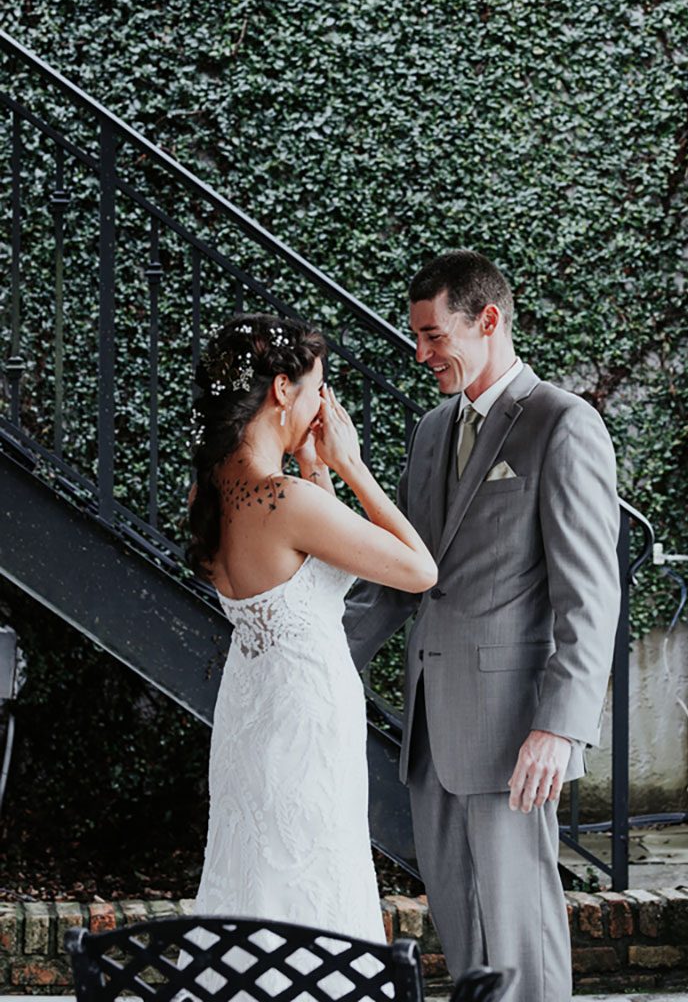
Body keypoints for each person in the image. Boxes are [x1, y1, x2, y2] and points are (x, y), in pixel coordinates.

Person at [343, 250, 621, 1002]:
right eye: (417, 336)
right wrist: (317, 656)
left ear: (488, 319)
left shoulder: (562, 424)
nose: (421, 353)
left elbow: (590, 596)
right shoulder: (432, 430)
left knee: (519, 927)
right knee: (461, 929)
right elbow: (401, 578)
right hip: (431, 728)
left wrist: (559, 728)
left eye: (434, 335)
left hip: (514, 730)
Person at [183, 312, 437, 946]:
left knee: (258, 868)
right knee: (313, 866)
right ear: (281, 390)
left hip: (250, 710)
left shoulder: (209, 494)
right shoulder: (286, 501)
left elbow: (314, 560)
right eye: (317, 387)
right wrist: (350, 465)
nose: (324, 403)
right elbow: (419, 570)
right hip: (305, 716)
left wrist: (308, 463)